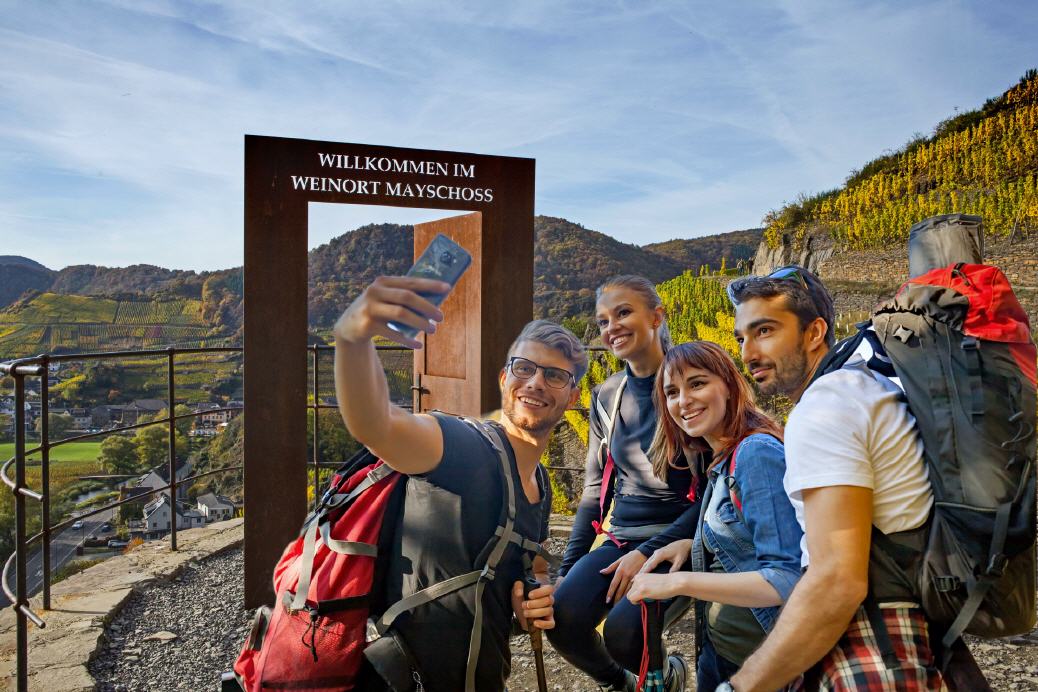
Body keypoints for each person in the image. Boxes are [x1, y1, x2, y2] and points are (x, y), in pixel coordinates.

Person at [333, 275, 588, 692]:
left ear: (572, 397)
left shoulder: (538, 485)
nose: (536, 382)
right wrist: (352, 338)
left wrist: (531, 598)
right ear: (504, 379)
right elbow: (375, 423)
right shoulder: (460, 446)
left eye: (555, 376)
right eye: (524, 368)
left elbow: (529, 574)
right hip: (407, 680)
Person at [716, 265, 942, 691]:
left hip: (877, 636)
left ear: (815, 332)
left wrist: (741, 686)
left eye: (765, 331)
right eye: (742, 338)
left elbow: (838, 579)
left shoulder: (825, 408)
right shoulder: (863, 386)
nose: (747, 353)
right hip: (900, 618)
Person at [547, 275, 700, 692]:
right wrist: (568, 568)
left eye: (623, 312)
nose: (611, 326)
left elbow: (713, 495)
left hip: (681, 541)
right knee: (561, 617)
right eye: (602, 321)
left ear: (656, 316)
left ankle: (666, 675)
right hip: (622, 540)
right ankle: (623, 684)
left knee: (623, 632)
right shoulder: (607, 396)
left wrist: (648, 552)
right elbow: (596, 492)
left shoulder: (689, 387)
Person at [626, 340, 802, 691]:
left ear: (729, 385)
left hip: (761, 669)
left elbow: (786, 578)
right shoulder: (723, 458)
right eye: (672, 392)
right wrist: (696, 543)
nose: (683, 401)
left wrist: (676, 583)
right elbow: (747, 536)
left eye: (697, 383)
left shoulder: (755, 453)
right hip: (721, 654)